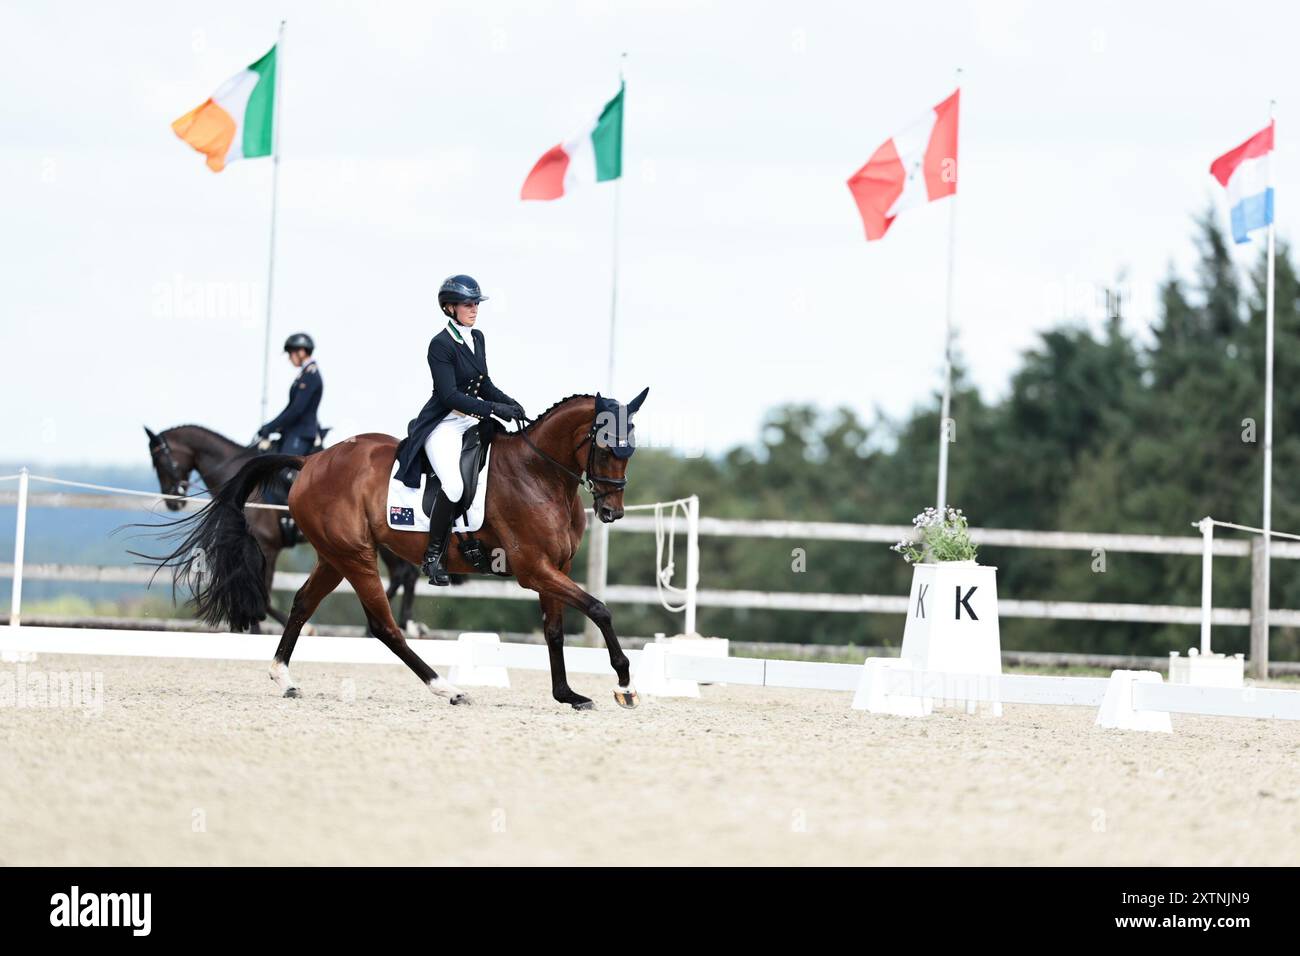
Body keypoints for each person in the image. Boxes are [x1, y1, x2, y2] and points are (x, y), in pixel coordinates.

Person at [394, 275, 526, 585]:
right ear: (450, 307)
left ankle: (472, 537)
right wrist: (494, 409)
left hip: (470, 419)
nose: (475, 309)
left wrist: (510, 403)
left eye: (477, 303)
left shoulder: (477, 337)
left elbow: (484, 384)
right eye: (468, 304)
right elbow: (449, 395)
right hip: (443, 424)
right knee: (453, 485)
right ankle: (434, 556)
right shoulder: (440, 344)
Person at [258, 333, 323, 457]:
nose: (289, 358)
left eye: (290, 353)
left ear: (301, 352)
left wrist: (271, 427)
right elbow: (290, 407)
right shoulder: (304, 374)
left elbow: (296, 410)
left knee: (285, 472)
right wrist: (271, 426)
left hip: (301, 433)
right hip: (292, 431)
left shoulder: (310, 375)